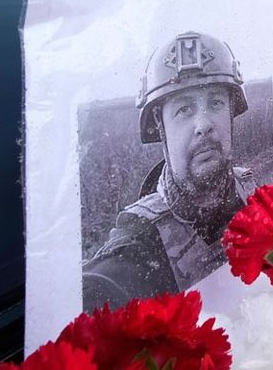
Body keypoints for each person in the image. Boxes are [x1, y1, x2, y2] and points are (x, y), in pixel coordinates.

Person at [82, 31, 255, 311]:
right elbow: (102, 285)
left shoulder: (253, 194)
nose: (203, 124)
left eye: (216, 103)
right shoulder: (140, 246)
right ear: (160, 127)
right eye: (184, 109)